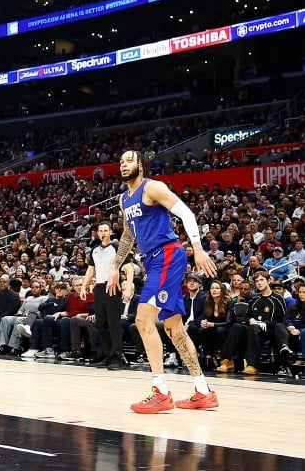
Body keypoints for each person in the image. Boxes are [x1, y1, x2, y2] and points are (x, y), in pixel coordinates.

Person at [112, 150, 218, 413]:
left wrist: (199, 247)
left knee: (142, 319)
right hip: (152, 261)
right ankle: (203, 391)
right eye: (121, 161)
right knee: (175, 329)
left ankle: (160, 391)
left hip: (168, 254)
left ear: (141, 164)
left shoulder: (153, 187)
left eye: (129, 160)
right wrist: (115, 267)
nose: (124, 164)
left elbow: (186, 213)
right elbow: (127, 235)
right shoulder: (124, 200)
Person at [81, 222, 133, 370]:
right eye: (100, 230)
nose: (103, 233)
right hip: (99, 288)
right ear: (97, 233)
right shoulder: (94, 250)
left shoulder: (116, 248)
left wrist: (128, 288)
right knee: (100, 324)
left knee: (114, 324)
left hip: (113, 288)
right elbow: (91, 270)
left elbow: (129, 269)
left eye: (105, 230)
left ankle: (117, 357)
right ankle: (108, 355)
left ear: (110, 232)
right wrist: (84, 286)